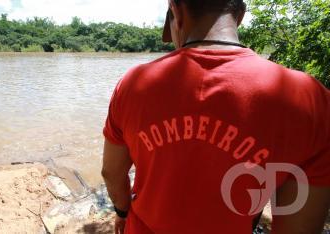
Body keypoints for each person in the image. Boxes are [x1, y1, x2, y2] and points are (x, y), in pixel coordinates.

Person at [101, 0, 330, 233]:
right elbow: (298, 224)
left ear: (177, 13)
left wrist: (122, 211)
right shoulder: (309, 98)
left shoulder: (134, 84)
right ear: (239, 15)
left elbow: (111, 172)